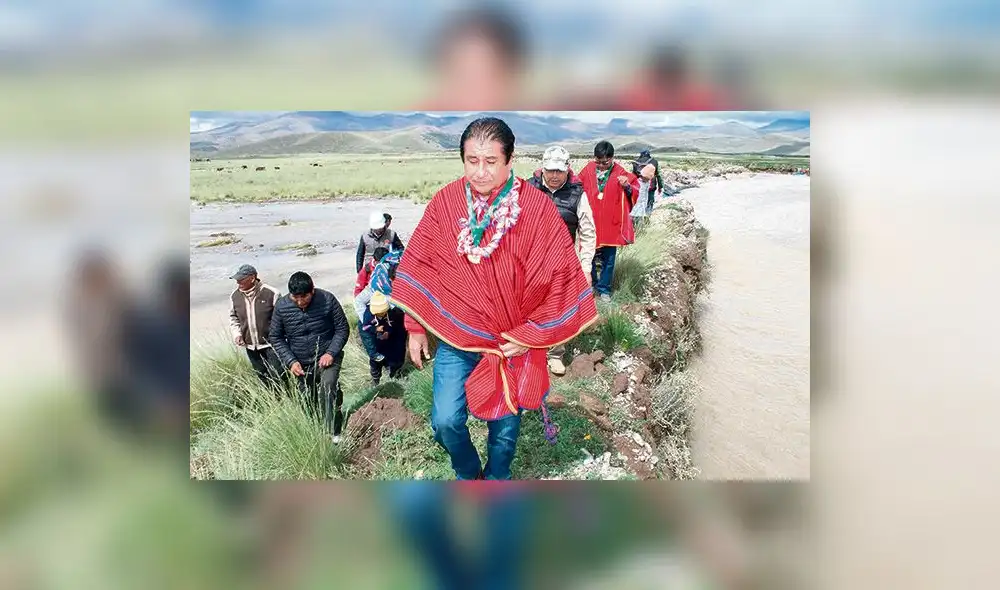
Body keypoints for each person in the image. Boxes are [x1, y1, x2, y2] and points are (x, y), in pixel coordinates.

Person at [392, 117, 598, 480]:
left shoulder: (536, 209)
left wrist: (531, 335)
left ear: (510, 159)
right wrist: (415, 326)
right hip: (459, 337)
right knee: (444, 421)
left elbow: (560, 275)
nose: (481, 172)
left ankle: (497, 478)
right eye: (472, 161)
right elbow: (422, 262)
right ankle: (468, 472)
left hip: (511, 341)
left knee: (504, 431)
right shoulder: (447, 202)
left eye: (491, 162)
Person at [527, 145, 597, 376]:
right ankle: (529, 347)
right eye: (550, 171)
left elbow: (588, 233)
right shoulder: (527, 189)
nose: (554, 176)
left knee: (559, 309)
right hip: (529, 263)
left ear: (567, 169)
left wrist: (586, 267)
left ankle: (555, 353)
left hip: (562, 264)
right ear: (542, 169)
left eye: (559, 171)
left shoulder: (578, 194)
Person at [269, 271, 350, 444]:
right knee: (308, 398)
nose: (299, 302)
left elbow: (342, 328)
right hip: (300, 362)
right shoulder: (282, 306)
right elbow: (275, 337)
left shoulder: (328, 300)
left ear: (312, 290)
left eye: (303, 297)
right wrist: (290, 361)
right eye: (295, 297)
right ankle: (316, 428)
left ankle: (332, 434)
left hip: (328, 356)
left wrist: (331, 353)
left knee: (327, 388)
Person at [578, 141, 639, 301]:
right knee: (588, 256)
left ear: (612, 158)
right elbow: (577, 184)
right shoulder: (589, 168)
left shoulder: (620, 172)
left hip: (612, 224)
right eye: (598, 162)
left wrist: (626, 187)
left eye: (605, 162)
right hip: (590, 223)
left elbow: (635, 189)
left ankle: (604, 289)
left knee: (609, 260)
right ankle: (590, 285)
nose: (601, 166)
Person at [228, 264, 283, 390]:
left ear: (252, 278)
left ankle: (284, 401)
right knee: (262, 377)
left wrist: (277, 338)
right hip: (250, 346)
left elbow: (282, 319)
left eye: (241, 279)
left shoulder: (272, 293)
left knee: (279, 376)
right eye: (237, 279)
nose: (238, 282)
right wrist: (237, 334)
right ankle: (270, 403)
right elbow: (233, 318)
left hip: (271, 345)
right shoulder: (234, 296)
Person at [361, 291, 407, 386]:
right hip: (374, 340)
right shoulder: (368, 314)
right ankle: (375, 380)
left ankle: (394, 376)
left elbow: (393, 324)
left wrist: (388, 332)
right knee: (376, 362)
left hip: (388, 339)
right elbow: (365, 327)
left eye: (383, 312)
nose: (382, 314)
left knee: (392, 356)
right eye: (379, 313)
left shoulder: (391, 312)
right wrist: (375, 329)